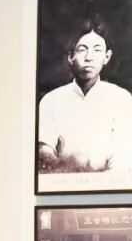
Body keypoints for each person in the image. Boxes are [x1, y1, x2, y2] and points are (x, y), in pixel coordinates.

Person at [38, 21, 132, 174]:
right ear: (70, 57)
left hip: (110, 183)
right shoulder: (51, 101)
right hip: (62, 182)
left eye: (97, 50)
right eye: (82, 50)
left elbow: (122, 157)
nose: (89, 57)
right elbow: (45, 153)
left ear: (107, 57)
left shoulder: (122, 99)